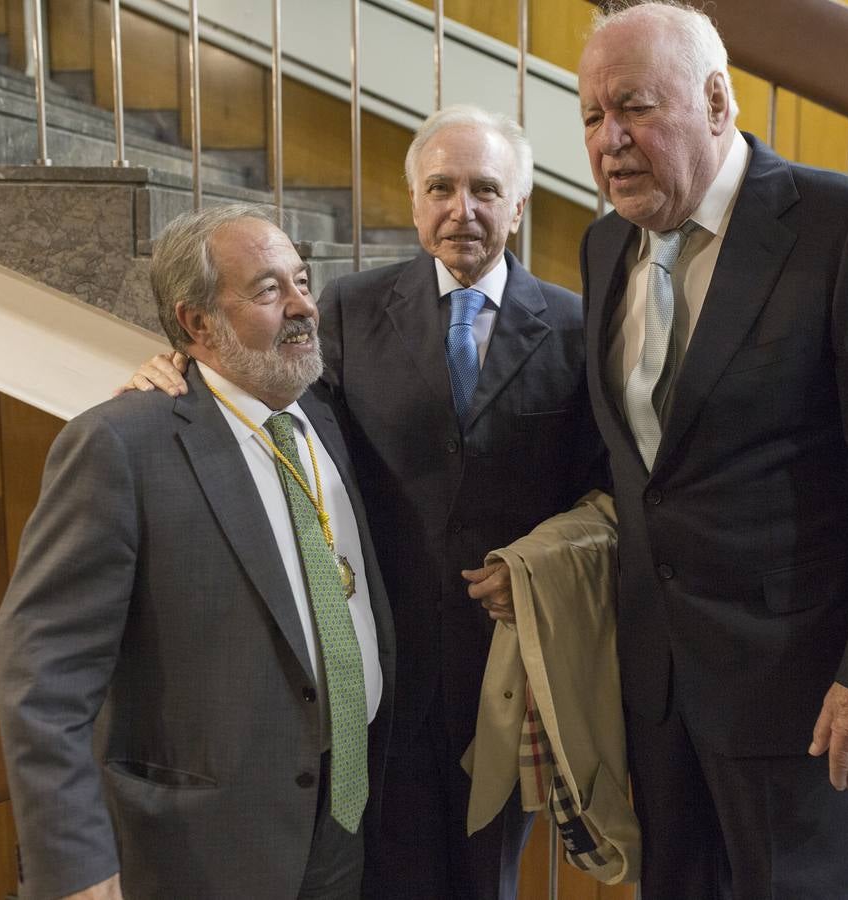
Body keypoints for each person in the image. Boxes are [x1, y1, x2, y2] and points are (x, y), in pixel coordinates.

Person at [127, 105, 605, 899]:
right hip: (377, 660)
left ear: (519, 206)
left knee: (486, 881)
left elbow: (606, 489)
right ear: (414, 201)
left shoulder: (579, 328)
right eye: (441, 188)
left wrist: (542, 560)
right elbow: (275, 406)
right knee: (380, 874)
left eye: (486, 190)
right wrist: (181, 369)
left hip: (510, 668)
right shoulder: (344, 308)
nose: (463, 210)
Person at [568, 2, 848, 896]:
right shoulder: (603, 247)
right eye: (592, 115)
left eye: (635, 107)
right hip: (660, 685)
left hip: (805, 695)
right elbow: (644, 470)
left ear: (716, 102)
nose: (610, 140)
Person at [0, 205, 394, 900]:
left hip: (343, 815)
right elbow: (43, 678)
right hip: (203, 851)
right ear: (197, 323)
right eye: (269, 291)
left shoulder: (320, 414)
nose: (304, 306)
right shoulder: (122, 446)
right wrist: (75, 867)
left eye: (302, 280)